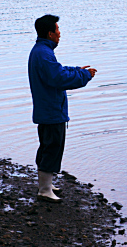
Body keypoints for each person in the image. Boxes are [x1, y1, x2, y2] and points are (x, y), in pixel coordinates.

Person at [28, 14, 96, 201]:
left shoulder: (41, 51)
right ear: (50, 33)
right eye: (58, 30)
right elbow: (58, 78)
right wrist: (84, 76)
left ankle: (46, 185)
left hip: (47, 109)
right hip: (51, 111)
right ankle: (44, 190)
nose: (60, 34)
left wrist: (77, 70)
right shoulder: (43, 53)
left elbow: (57, 70)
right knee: (52, 147)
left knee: (48, 146)